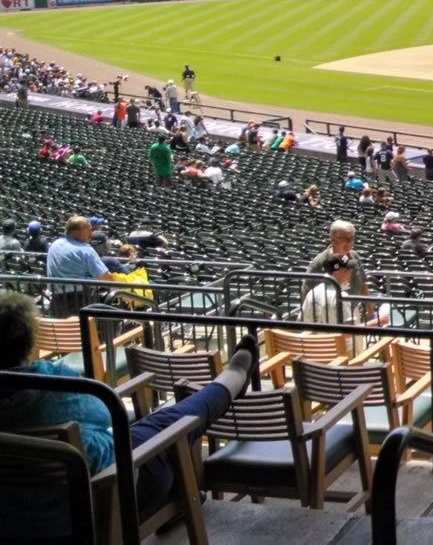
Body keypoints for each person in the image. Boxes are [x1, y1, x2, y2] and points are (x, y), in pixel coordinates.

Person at [0, 293, 259, 538]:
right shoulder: (53, 383)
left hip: (13, 524)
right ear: (27, 343)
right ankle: (231, 381)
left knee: (153, 424)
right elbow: (104, 414)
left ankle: (180, 493)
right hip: (99, 506)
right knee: (171, 423)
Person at [45, 215, 121, 318]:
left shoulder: (55, 245)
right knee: (84, 332)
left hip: (56, 301)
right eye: (88, 230)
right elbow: (107, 278)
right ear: (76, 232)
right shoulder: (85, 250)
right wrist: (124, 293)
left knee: (62, 332)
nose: (91, 234)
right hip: (80, 302)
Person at [306, 219, 369, 298]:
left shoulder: (355, 256)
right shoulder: (319, 262)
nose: (349, 243)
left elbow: (363, 285)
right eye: (344, 239)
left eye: (351, 239)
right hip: (329, 308)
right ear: (333, 239)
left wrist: (370, 310)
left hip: (352, 308)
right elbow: (306, 291)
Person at [300, 252, 357, 324]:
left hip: (314, 335)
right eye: (347, 270)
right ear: (336, 273)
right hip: (333, 335)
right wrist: (373, 323)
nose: (351, 272)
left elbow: (301, 320)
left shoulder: (312, 292)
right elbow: (349, 331)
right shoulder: (341, 296)